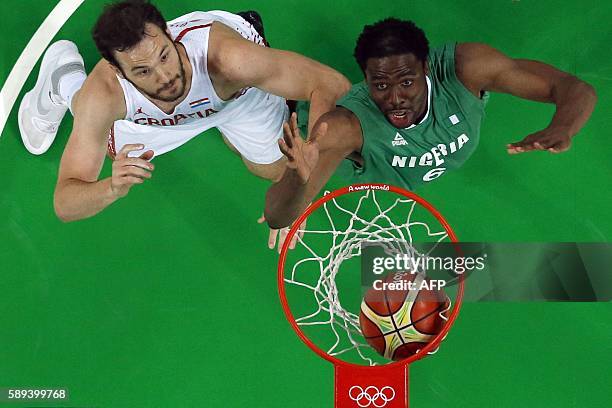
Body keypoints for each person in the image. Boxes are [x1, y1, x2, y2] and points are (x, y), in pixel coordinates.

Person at [18, 0, 349, 222]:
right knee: (91, 117)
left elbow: (330, 83)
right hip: (151, 120)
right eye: (143, 71)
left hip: (234, 94)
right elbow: (65, 201)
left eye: (164, 55)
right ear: (119, 71)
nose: (164, 78)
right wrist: (111, 188)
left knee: (275, 170)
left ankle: (232, 117)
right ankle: (62, 79)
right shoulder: (105, 94)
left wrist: (311, 151)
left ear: (170, 34)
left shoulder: (230, 60)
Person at [264, 18, 597, 229]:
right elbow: (280, 216)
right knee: (263, 162)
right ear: (364, 80)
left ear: (425, 67)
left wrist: (564, 126)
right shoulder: (344, 128)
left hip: (407, 164)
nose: (395, 98)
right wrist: (298, 176)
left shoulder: (466, 69)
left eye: (406, 82)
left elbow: (574, 89)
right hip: (327, 147)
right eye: (380, 85)